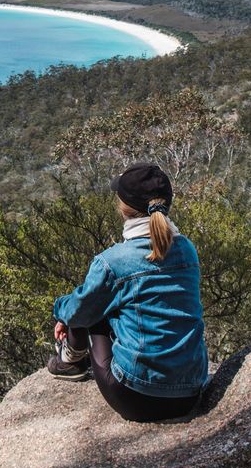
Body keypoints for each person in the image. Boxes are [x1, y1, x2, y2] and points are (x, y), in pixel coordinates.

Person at [48, 162, 209, 422]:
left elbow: (79, 311)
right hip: (190, 392)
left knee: (92, 308)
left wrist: (61, 312)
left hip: (136, 396)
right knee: (112, 300)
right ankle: (71, 358)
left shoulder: (113, 262)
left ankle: (69, 361)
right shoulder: (187, 249)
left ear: (124, 209)